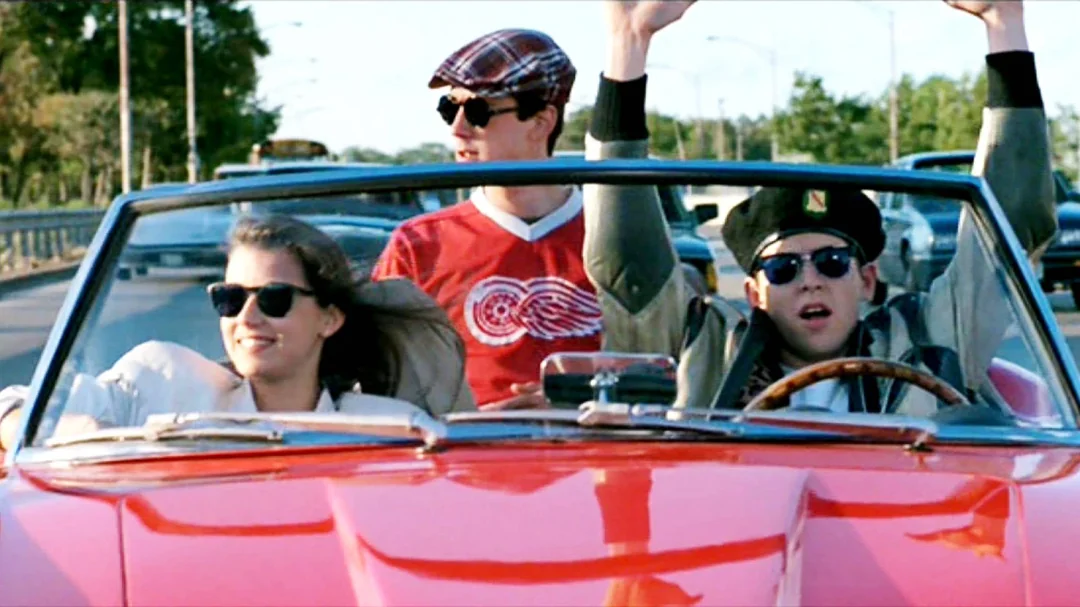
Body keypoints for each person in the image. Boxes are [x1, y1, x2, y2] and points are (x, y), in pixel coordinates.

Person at [582, 0, 1056, 416]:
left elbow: (1008, 230)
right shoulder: (708, 352)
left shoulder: (925, 340)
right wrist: (629, 43)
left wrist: (1004, 21)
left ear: (867, 280)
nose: (810, 280)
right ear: (753, 294)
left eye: (832, 263)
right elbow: (628, 262)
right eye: (783, 269)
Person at [0, 214, 475, 451]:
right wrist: (83, 431)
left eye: (274, 298)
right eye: (228, 297)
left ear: (330, 319)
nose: (246, 317)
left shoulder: (386, 426)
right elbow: (13, 404)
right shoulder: (162, 381)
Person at [371, 28, 600, 410]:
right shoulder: (418, 244)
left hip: (606, 455)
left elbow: (664, 364)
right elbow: (379, 382)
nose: (457, 128)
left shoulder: (613, 239)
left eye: (478, 111)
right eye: (449, 108)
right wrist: (472, 419)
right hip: (462, 457)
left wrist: (579, 403)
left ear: (541, 123)